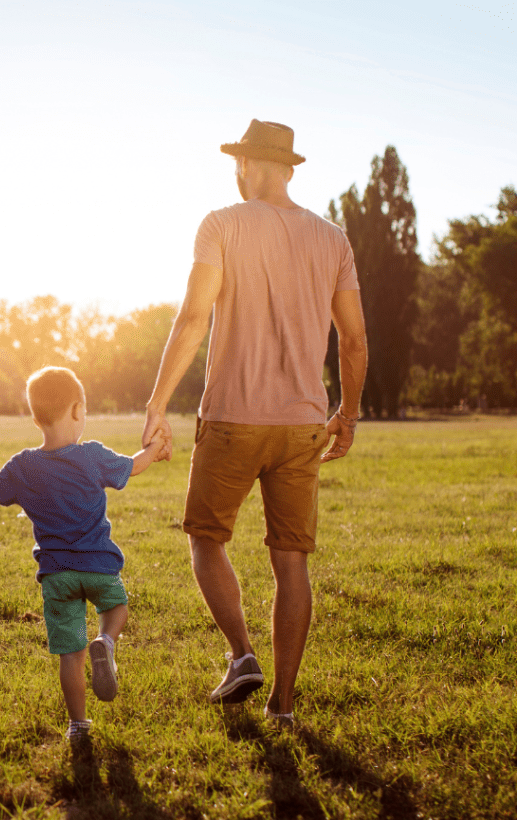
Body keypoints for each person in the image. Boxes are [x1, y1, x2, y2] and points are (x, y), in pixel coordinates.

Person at [142, 119, 368, 724]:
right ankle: (284, 706)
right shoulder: (333, 239)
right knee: (290, 561)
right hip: (303, 426)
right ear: (288, 168)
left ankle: (242, 655)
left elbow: (192, 319)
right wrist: (346, 413)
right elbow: (353, 339)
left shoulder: (221, 224)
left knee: (205, 539)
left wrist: (157, 403)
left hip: (233, 419)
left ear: (245, 165)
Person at [0, 366, 170, 740]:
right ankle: (108, 641)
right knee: (116, 608)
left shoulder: (23, 467)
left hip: (57, 575)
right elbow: (133, 467)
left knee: (71, 654)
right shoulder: (92, 456)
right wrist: (156, 448)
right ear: (79, 410)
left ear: (35, 418)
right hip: (99, 566)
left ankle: (78, 724)